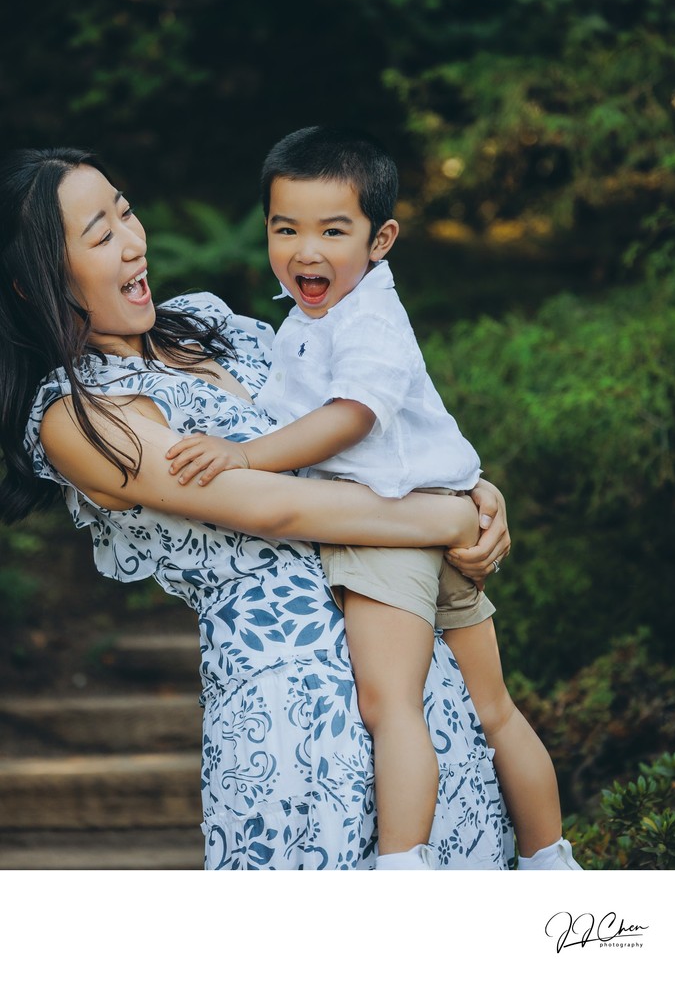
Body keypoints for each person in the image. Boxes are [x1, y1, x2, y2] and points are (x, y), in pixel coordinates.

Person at [0, 145, 515, 870]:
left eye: (126, 212)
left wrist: (471, 485)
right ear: (33, 282)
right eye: (100, 234)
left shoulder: (209, 325)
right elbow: (276, 507)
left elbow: (360, 418)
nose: (134, 240)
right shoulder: (80, 418)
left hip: (402, 650)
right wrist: (449, 518)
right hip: (293, 701)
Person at [165, 126, 582, 871]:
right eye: (285, 228)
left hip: (384, 527)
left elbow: (352, 415)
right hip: (437, 512)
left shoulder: (367, 319)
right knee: (493, 708)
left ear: (380, 239)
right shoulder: (319, 314)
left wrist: (247, 455)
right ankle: (551, 859)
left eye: (334, 231)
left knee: (391, 708)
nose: (306, 251)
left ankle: (400, 865)